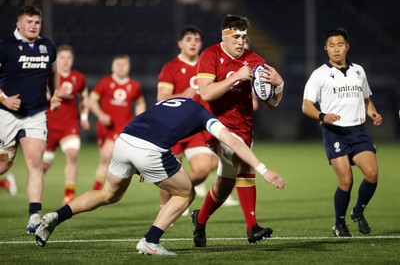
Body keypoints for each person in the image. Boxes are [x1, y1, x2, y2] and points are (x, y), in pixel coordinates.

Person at [34, 98, 285, 255]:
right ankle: (150, 241)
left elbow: (152, 123)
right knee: (185, 192)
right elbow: (233, 141)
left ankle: (56, 215)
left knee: (108, 194)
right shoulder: (203, 113)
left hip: (125, 141)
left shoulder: (172, 102)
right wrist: (263, 169)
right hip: (148, 149)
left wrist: (141, 162)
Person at [192, 14, 285, 247]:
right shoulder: (210, 55)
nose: (241, 41)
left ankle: (200, 220)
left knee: (223, 187)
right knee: (244, 164)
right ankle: (252, 227)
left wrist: (279, 84)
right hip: (215, 125)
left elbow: (271, 103)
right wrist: (236, 78)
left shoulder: (255, 60)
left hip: (244, 127)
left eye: (243, 36)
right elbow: (206, 94)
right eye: (235, 36)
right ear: (224, 36)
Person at [302, 28, 382, 237]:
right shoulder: (319, 74)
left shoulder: (359, 71)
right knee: (346, 181)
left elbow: (365, 98)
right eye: (331, 45)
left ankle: (358, 211)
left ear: (347, 47)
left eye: (340, 45)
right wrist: (322, 116)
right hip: (334, 132)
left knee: (372, 174)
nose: (336, 49)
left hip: (358, 130)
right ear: (326, 49)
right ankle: (339, 223)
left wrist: (372, 113)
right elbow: (306, 105)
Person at [157, 25, 238, 213]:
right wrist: (182, 94)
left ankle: (180, 192)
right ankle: (165, 209)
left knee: (202, 169)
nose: (193, 43)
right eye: (189, 40)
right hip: (173, 128)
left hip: (197, 128)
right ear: (180, 44)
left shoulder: (208, 64)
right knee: (169, 173)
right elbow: (161, 98)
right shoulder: (171, 67)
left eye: (197, 40)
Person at [0, 5, 61, 233]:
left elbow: (54, 72)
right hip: (6, 115)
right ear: (19, 24)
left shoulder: (47, 46)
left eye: (37, 22)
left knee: (35, 164)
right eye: (29, 22)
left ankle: (35, 216)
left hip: (35, 115)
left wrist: (53, 96)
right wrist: (4, 100)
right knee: (4, 164)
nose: (34, 26)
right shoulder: (5, 46)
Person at [90, 54, 146, 190]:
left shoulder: (133, 86)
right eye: (118, 64)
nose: (121, 67)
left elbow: (140, 103)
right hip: (106, 128)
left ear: (129, 67)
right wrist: (101, 114)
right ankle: (103, 189)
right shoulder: (105, 83)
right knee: (105, 159)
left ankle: (98, 190)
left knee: (107, 157)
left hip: (124, 128)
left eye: (124, 64)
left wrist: (140, 119)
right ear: (112, 66)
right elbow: (91, 100)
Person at [43, 45, 90, 205]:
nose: (65, 61)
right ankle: (36, 198)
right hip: (48, 127)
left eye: (68, 58)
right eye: (62, 58)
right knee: (43, 166)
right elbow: (42, 96)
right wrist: (56, 94)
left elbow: (85, 97)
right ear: (57, 59)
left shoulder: (78, 78)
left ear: (73, 60)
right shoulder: (48, 76)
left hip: (69, 127)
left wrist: (84, 117)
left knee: (72, 156)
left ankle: (69, 195)